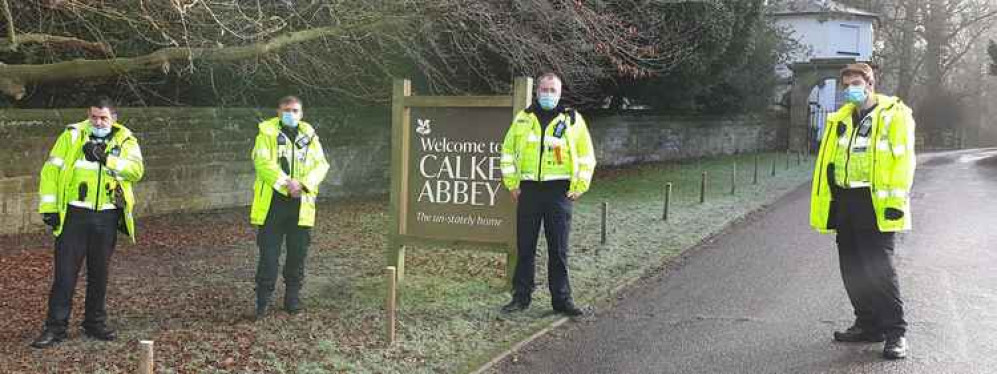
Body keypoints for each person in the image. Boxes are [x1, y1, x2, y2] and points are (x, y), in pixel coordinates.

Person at [810, 63, 916, 359]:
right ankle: (867, 324)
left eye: (855, 83)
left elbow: (904, 162)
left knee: (879, 270)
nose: (849, 90)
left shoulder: (895, 115)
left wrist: (896, 203)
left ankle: (896, 333)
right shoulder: (841, 118)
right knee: (852, 268)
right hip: (844, 201)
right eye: (845, 85)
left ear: (870, 83)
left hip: (876, 204)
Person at [31, 98, 145, 348]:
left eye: (103, 117)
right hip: (74, 216)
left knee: (99, 274)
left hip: (106, 216)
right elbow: (50, 172)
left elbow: (136, 171)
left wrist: (106, 159)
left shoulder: (126, 140)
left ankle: (94, 323)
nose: (98, 122)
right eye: (94, 116)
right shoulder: (72, 136)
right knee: (64, 275)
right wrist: (49, 208)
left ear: (114, 118)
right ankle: (55, 327)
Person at [499, 73, 596, 316]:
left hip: (559, 193)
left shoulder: (573, 120)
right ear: (537, 91)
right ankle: (521, 298)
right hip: (529, 191)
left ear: (560, 93)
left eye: (553, 90)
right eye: (544, 89)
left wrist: (580, 185)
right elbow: (508, 153)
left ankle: (562, 300)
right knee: (525, 248)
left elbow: (587, 156)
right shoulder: (523, 118)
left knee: (559, 249)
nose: (548, 94)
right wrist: (512, 184)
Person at [250, 96, 329, 319]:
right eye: (286, 110)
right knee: (268, 256)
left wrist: (302, 184)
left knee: (298, 254)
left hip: (301, 206)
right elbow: (263, 163)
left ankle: (292, 299)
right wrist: (287, 184)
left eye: (295, 110)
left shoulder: (310, 136)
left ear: (301, 113)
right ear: (278, 112)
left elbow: (321, 165)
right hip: (272, 206)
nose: (291, 114)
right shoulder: (266, 134)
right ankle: (262, 301)